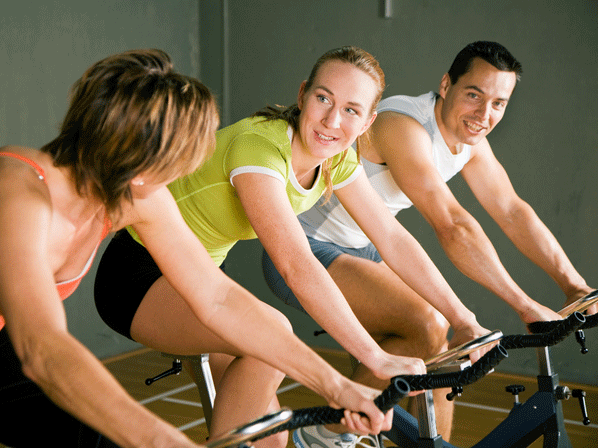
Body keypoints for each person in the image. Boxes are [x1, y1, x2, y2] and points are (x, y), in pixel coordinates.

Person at [0, 49, 385, 448]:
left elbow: (216, 296)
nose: (181, 175)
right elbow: (42, 347)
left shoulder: (138, 195)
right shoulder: (19, 191)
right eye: (175, 162)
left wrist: (336, 385)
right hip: (29, 346)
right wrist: (163, 439)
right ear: (137, 158)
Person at [92, 46, 468, 448]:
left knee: (271, 442)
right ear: (303, 94)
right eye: (323, 98)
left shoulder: (337, 157)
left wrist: (463, 319)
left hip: (201, 279)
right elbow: (296, 265)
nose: (331, 120)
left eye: (351, 110)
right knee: (271, 336)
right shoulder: (259, 148)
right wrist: (374, 359)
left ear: (367, 121)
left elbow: (392, 237)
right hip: (139, 274)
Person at [263, 41, 596, 444]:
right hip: (305, 247)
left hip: (365, 250)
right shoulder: (402, 125)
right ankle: (324, 437)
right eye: (474, 95)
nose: (484, 114)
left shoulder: (470, 143)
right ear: (445, 84)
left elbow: (512, 210)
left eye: (498, 103)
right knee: (427, 325)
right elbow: (452, 223)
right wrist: (524, 305)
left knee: (446, 352)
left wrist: (573, 285)